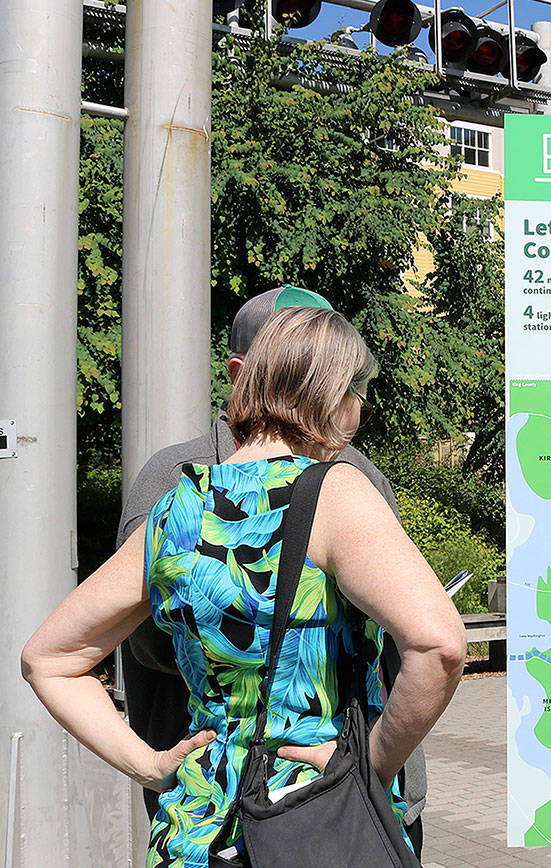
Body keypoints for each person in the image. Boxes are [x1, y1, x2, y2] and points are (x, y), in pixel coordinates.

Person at [22, 307, 466, 867]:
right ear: (331, 395)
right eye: (360, 393)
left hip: (197, 833)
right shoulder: (336, 493)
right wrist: (371, 764)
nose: (362, 411)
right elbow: (441, 645)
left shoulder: (175, 511)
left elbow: (47, 658)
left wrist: (149, 765)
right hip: (315, 817)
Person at [114, 285, 428, 852]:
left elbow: (55, 653)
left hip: (257, 808)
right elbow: (150, 649)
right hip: (273, 800)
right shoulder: (174, 478)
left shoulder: (349, 471)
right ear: (244, 372)